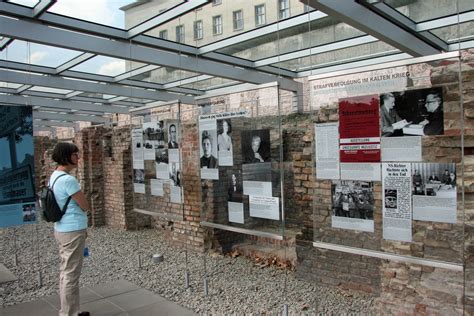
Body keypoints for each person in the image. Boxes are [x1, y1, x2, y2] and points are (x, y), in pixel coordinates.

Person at [50, 142, 90, 316]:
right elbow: (84, 204)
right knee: (71, 273)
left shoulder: (55, 176)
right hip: (72, 229)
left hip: (62, 228)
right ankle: (69, 313)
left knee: (66, 271)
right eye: (75, 154)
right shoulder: (68, 180)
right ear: (66, 156)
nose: (78, 157)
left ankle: (71, 309)